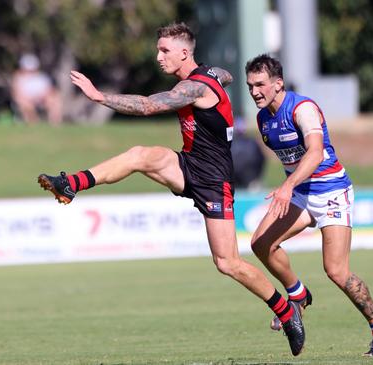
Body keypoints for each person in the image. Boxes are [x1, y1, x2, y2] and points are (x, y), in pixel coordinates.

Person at [38, 22, 305, 356]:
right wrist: (221, 75)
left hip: (213, 180)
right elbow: (226, 75)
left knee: (227, 262)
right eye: (158, 49)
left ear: (184, 53)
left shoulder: (193, 88)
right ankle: (71, 184)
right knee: (140, 155)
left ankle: (285, 309)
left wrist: (99, 96)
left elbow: (150, 105)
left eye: (165, 50)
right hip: (188, 165)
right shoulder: (208, 75)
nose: (158, 56)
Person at [244, 54, 373, 357]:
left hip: (331, 191)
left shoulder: (303, 109)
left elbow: (315, 153)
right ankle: (298, 295)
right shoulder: (263, 119)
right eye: (250, 85)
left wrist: (286, 187)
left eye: (260, 84)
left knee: (336, 271)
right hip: (301, 192)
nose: (254, 91)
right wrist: (292, 186)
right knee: (261, 244)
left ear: (278, 84)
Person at [11, 53, 63, 125]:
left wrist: (42, 97)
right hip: (27, 99)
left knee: (55, 99)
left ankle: (55, 123)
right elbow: (17, 92)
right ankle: (33, 123)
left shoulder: (41, 76)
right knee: (24, 102)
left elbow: (49, 89)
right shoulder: (18, 78)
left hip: (41, 98)